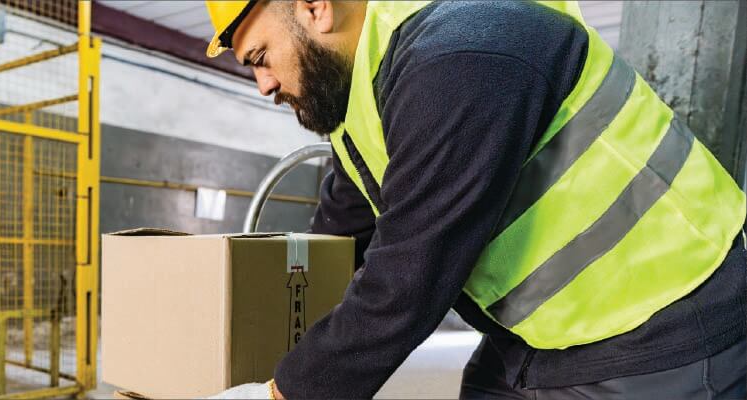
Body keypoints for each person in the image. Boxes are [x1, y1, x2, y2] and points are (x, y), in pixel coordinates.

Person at [202, 1, 747, 399]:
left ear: (314, 7)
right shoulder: (366, 92)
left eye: (261, 56)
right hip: (538, 337)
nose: (264, 85)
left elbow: (407, 280)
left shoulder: (456, 56)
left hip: (658, 324)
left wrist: (281, 393)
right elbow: (336, 240)